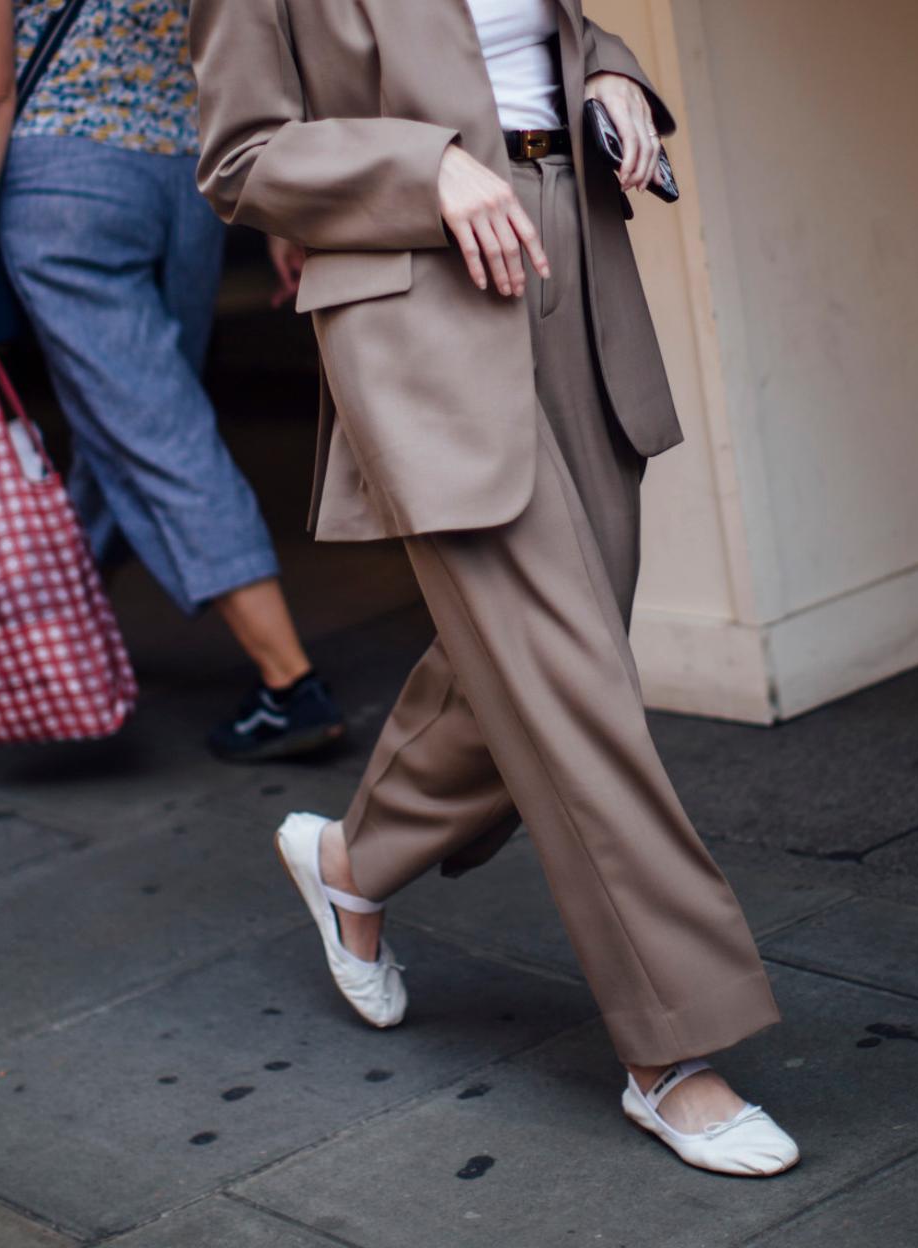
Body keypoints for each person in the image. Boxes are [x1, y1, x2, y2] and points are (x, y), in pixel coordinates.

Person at [191, 0, 800, 1175]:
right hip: (419, 303)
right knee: (568, 684)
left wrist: (614, 78)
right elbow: (243, 157)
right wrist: (426, 171)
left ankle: (348, 866)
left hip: (574, 252)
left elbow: (555, 32)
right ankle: (675, 1051)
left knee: (531, 664)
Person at [0, 0, 345, 762]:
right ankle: (53, 631)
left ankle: (291, 684)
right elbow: (236, 49)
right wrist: (277, 214)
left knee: (155, 427)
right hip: (184, 184)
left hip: (64, 185)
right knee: (129, 415)